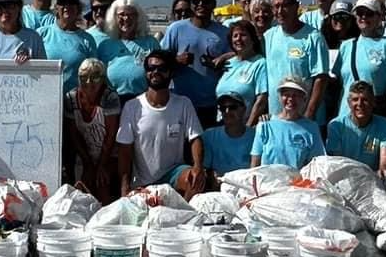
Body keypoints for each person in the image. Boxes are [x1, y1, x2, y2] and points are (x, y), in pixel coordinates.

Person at [117, 49, 205, 199]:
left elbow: (195, 138)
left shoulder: (184, 103)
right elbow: (124, 150)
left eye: (161, 68)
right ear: (145, 73)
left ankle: (184, 215)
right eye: (151, 68)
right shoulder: (132, 106)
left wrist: (197, 167)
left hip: (174, 174)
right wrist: (125, 188)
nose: (155, 72)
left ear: (170, 73)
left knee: (194, 178)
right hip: (143, 182)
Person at [161, 0, 228, 123]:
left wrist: (222, 59)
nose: (201, 4)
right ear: (191, 4)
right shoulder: (176, 29)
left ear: (214, 4)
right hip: (179, 102)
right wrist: (176, 60)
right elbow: (160, 61)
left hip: (210, 105)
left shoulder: (224, 32)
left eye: (206, 1)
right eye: (196, 1)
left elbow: (238, 58)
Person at [263, 0, 330, 124]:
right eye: (276, 6)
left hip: (305, 119)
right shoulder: (268, 36)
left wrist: (308, 114)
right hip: (276, 118)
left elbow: (321, 79)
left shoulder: (314, 37)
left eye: (285, 6)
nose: (280, 11)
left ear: (296, 7)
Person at [334, 0, 386, 126]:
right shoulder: (346, 46)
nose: (363, 17)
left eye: (369, 14)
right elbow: (337, 81)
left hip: (375, 117)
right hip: (346, 117)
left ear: (378, 17)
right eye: (360, 13)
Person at [65, 59, 123, 202]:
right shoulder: (71, 98)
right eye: (84, 78)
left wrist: (102, 165)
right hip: (84, 153)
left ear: (103, 79)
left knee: (102, 184)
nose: (89, 82)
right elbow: (74, 134)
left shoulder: (110, 97)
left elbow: (111, 135)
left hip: (109, 154)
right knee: (82, 189)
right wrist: (88, 163)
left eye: (95, 77)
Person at [95, 0, 161, 103]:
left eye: (131, 15)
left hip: (143, 101)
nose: (126, 18)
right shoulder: (105, 46)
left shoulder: (151, 43)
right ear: (114, 18)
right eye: (121, 15)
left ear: (138, 18)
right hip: (113, 102)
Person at [252, 76, 328, 169]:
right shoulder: (265, 125)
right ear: (280, 98)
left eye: (296, 95)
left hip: (297, 182)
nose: (291, 99)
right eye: (286, 94)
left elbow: (317, 165)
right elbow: (255, 165)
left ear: (304, 99)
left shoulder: (312, 128)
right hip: (267, 181)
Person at [326, 82, 386, 174]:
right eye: (355, 100)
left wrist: (383, 170)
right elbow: (337, 161)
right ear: (349, 102)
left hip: (372, 176)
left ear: (373, 102)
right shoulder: (336, 125)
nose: (360, 104)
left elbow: (385, 156)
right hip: (345, 176)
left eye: (365, 100)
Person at [39, 0, 97, 94]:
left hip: (75, 103)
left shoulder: (87, 39)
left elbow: (93, 74)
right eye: (62, 2)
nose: (67, 6)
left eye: (71, 2)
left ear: (78, 8)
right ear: (56, 8)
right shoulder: (42, 33)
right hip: (45, 98)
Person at [213, 19, 269, 123]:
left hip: (244, 126)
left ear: (252, 38)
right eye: (235, 36)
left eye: (243, 35)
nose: (238, 39)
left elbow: (261, 100)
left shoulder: (260, 63)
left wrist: (248, 126)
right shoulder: (228, 63)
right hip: (223, 124)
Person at [199, 92, 256, 178]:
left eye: (232, 107)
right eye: (223, 108)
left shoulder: (256, 136)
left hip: (247, 185)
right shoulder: (209, 136)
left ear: (244, 109)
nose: (227, 111)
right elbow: (205, 168)